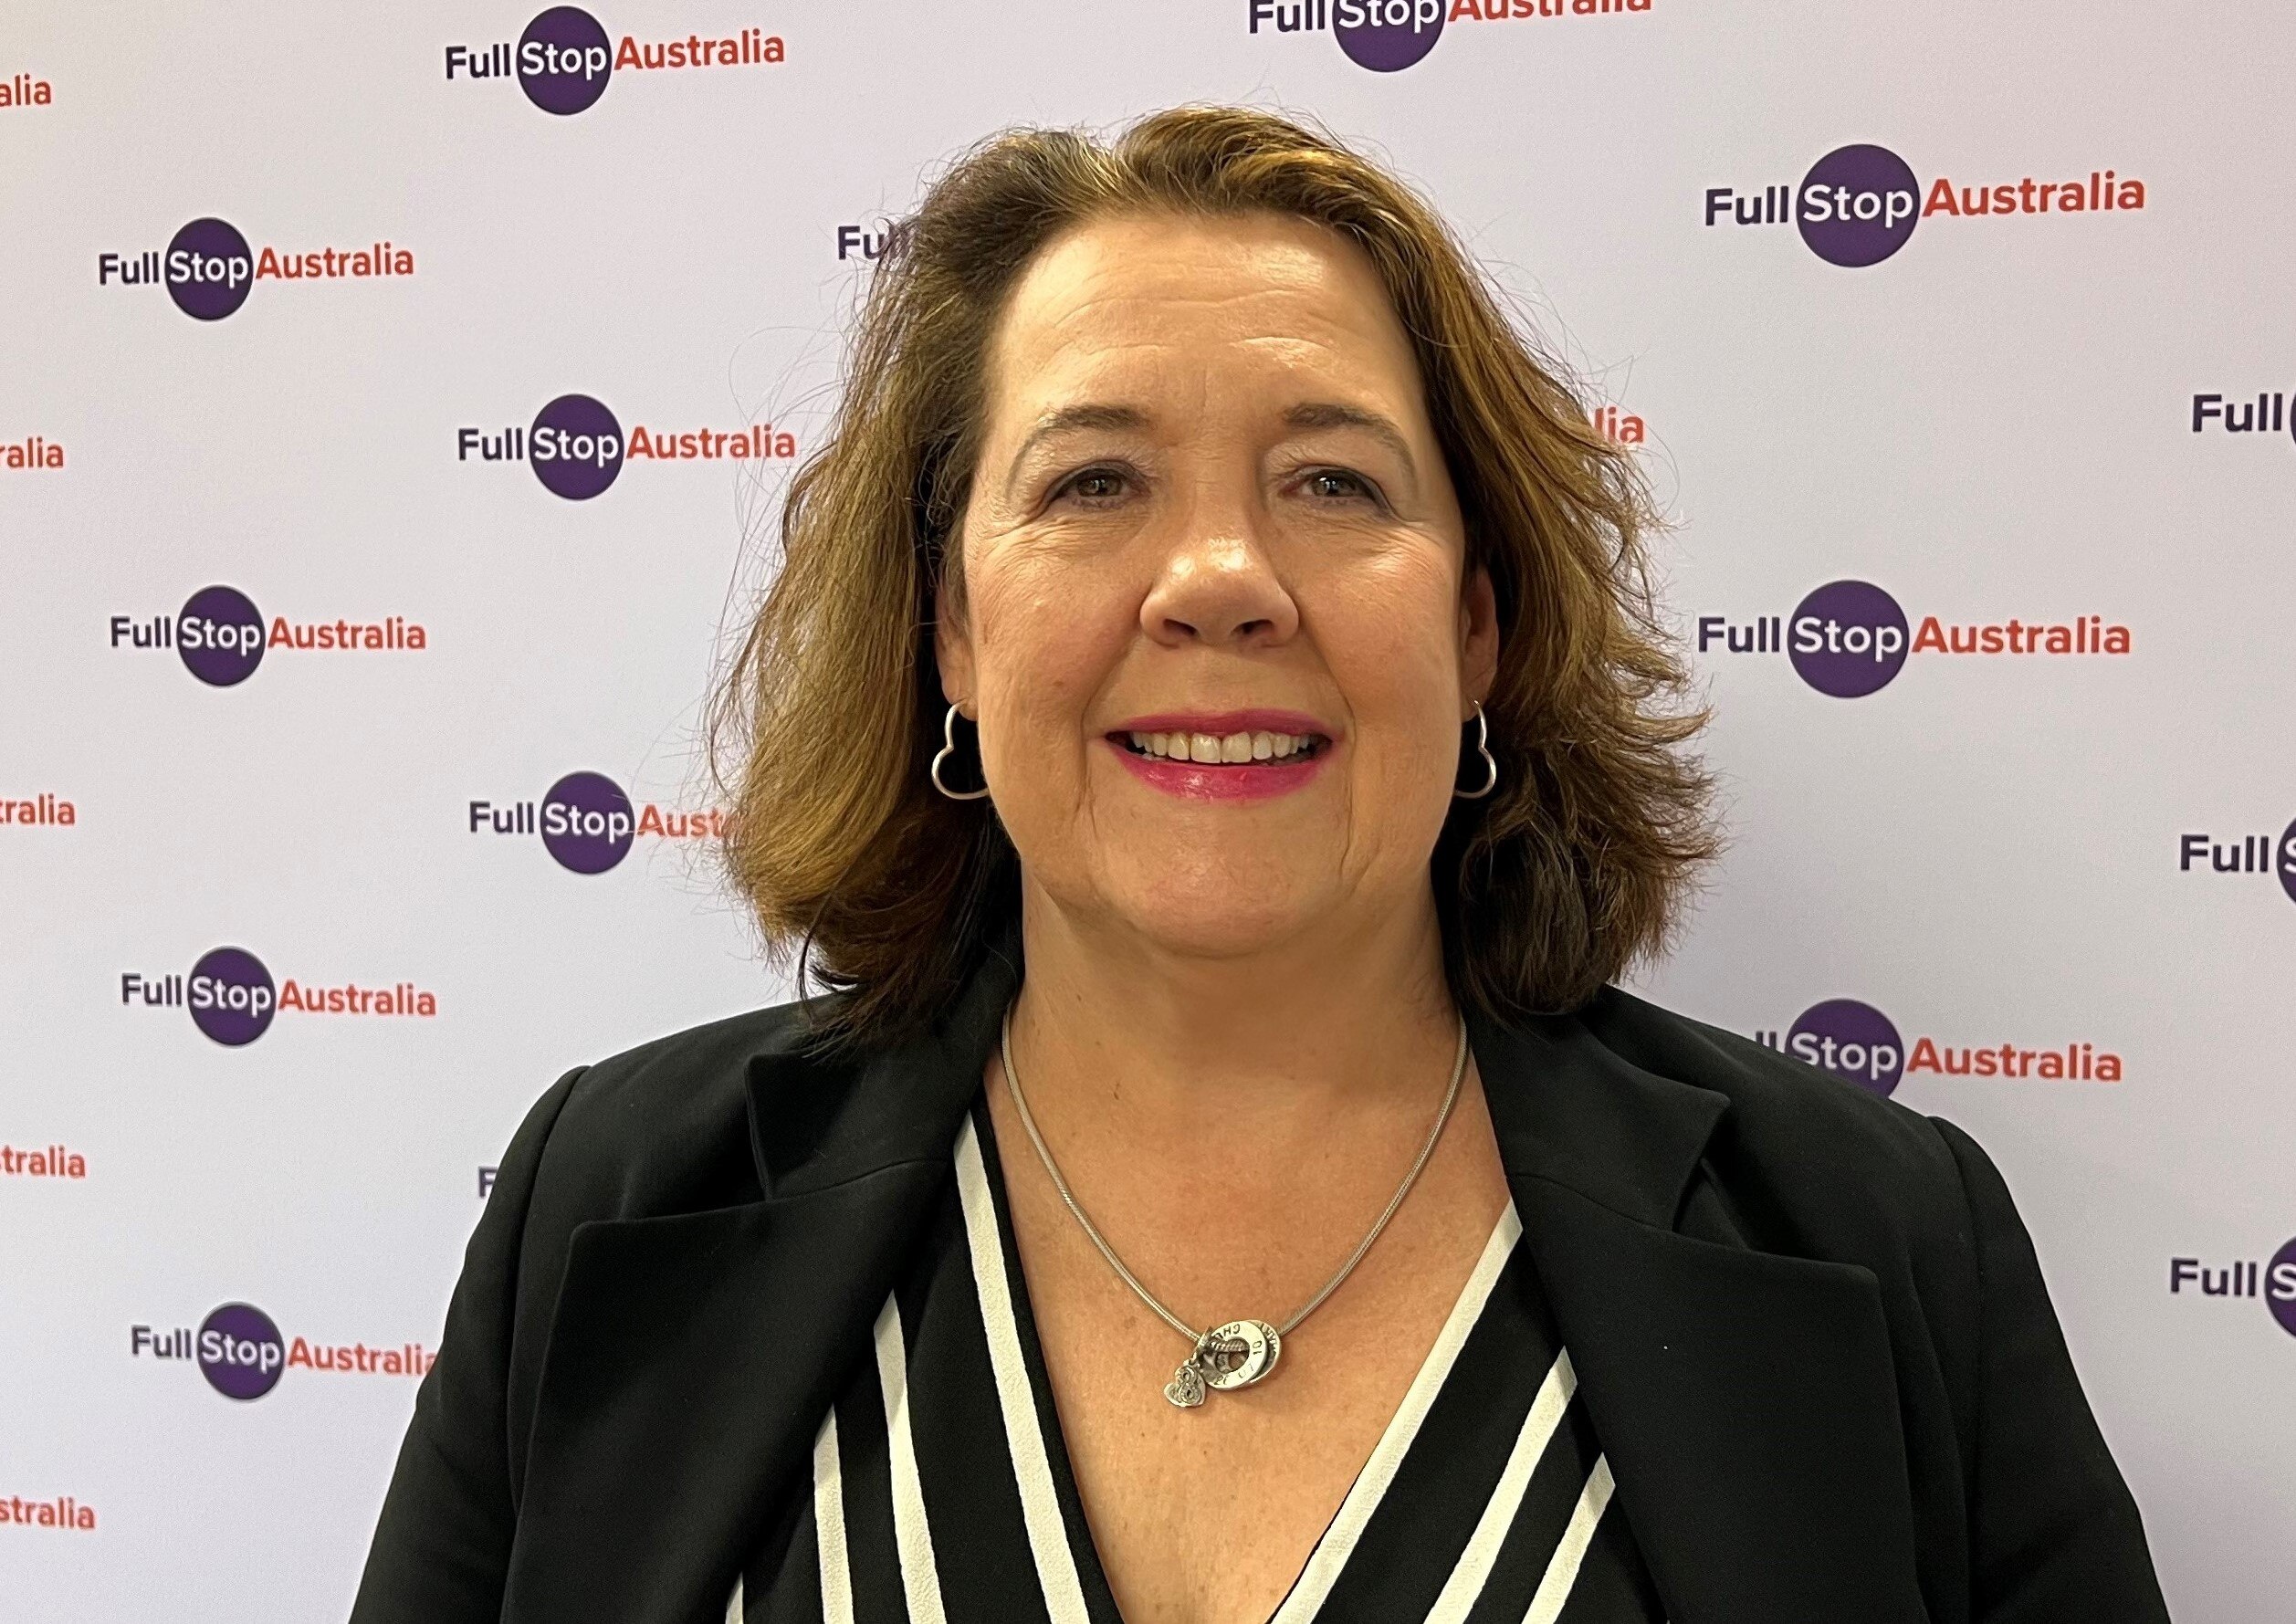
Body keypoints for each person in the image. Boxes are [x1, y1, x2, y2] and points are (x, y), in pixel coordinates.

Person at [349, 105, 2169, 1624]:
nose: (1218, 577)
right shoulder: (606, 1200)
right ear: (953, 633)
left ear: (1474, 628)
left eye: (1332, 482)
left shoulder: (1879, 1236)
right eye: (1092, 482)